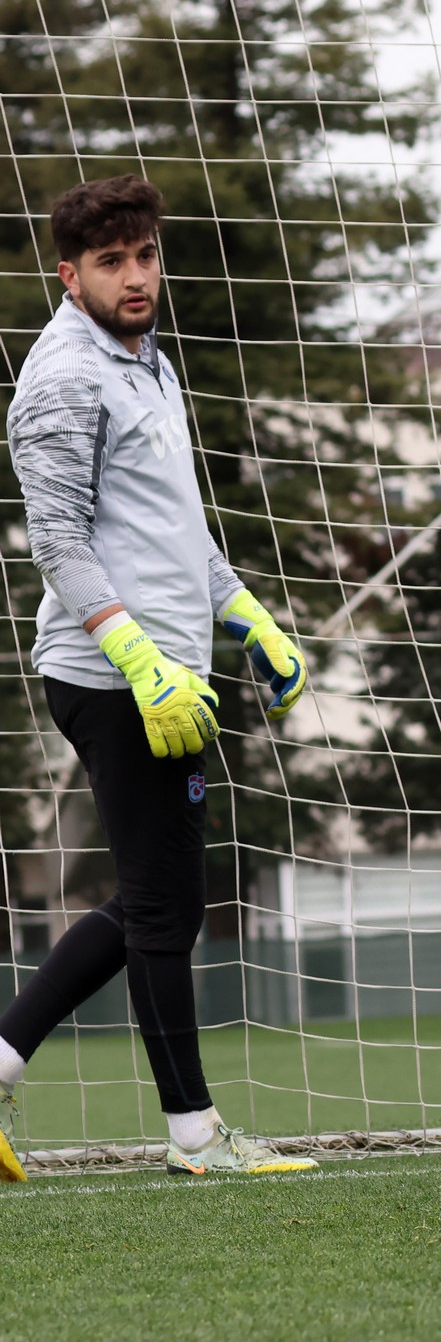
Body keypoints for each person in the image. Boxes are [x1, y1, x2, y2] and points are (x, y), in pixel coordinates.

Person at [0, 176, 315, 1183]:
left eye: (145, 256)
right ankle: (194, 1135)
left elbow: (176, 530)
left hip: (175, 673)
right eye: (111, 262)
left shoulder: (149, 363)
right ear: (69, 274)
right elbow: (56, 541)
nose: (136, 278)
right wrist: (138, 660)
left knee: (152, 904)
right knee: (165, 912)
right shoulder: (61, 379)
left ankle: (1, 1062)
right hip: (113, 676)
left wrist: (249, 616)